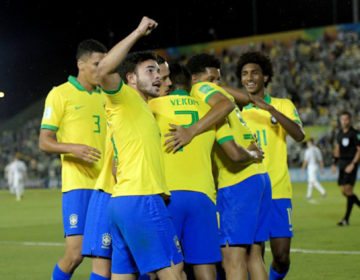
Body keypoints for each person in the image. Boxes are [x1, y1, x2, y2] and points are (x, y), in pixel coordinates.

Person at [149, 63, 264, 280]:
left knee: (167, 268)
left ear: (169, 82)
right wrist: (252, 154)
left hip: (168, 195)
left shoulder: (153, 106)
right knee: (206, 268)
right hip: (204, 197)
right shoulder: (209, 112)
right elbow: (232, 151)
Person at [96, 17, 185, 280]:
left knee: (124, 275)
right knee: (174, 273)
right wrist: (137, 32)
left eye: (158, 71)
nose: (158, 76)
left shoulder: (143, 109)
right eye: (150, 70)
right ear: (131, 78)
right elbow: (103, 70)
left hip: (122, 202)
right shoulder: (124, 98)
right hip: (141, 199)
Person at [39, 39, 107, 280]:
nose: (102, 69)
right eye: (97, 64)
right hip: (78, 186)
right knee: (75, 255)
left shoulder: (107, 97)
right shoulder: (60, 94)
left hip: (108, 186)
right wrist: (72, 149)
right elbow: (44, 141)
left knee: (105, 259)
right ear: (81, 64)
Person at [236, 51, 305, 280]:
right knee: (254, 256)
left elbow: (299, 134)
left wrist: (270, 110)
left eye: (254, 72)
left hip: (278, 190)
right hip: (249, 191)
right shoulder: (235, 110)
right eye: (245, 74)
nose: (249, 77)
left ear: (265, 76)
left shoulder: (282, 104)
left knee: (282, 256)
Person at [81, 125, 116, 280]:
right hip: (142, 195)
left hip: (110, 191)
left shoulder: (121, 111)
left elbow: (115, 167)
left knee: (102, 269)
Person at [331, 111, 360, 226]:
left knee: (348, 190)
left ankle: (346, 219)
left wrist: (353, 164)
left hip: (351, 163)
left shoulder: (355, 133)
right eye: (342, 119)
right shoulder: (339, 133)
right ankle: (346, 219)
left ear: (350, 120)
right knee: (344, 191)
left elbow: (359, 150)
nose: (344, 121)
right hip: (342, 164)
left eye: (346, 119)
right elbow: (337, 148)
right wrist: (334, 162)